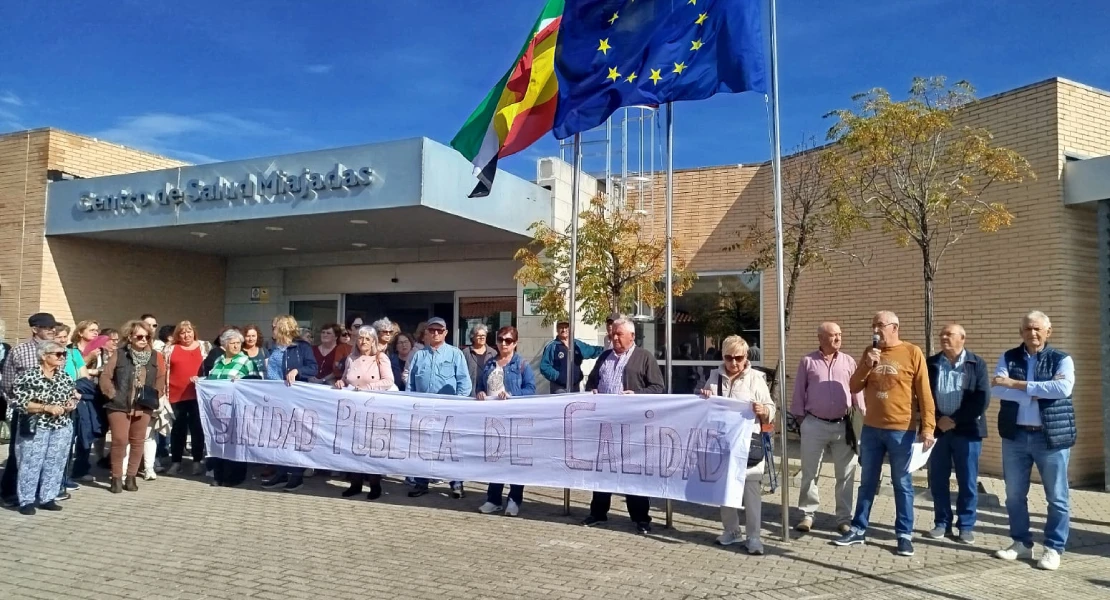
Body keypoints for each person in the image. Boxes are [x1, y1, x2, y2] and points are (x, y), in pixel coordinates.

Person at [834, 311, 934, 557]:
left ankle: (904, 535)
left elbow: (924, 392)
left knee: (902, 483)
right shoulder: (871, 351)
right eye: (873, 325)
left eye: (880, 325)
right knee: (867, 482)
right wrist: (867, 364)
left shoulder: (912, 352)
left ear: (894, 327)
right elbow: (854, 386)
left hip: (902, 429)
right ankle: (858, 529)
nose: (875, 329)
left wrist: (928, 426)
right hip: (871, 429)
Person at [990, 311, 1075, 571]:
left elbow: (1062, 389)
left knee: (1057, 497)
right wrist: (1036, 392)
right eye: (1027, 329)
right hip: (1016, 437)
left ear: (1048, 332)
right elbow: (996, 388)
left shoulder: (1062, 359)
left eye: (1038, 329)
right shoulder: (1008, 357)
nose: (1032, 333)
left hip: (1051, 437)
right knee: (1014, 495)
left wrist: (1016, 384)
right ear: (1021, 333)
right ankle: (1021, 543)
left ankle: (1053, 548)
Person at [582, 318, 665, 534]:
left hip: (632, 426)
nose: (614, 338)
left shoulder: (644, 357)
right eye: (613, 334)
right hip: (605, 425)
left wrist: (636, 395)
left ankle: (640, 518)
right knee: (603, 470)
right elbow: (592, 382)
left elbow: (658, 387)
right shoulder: (605, 357)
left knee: (632, 472)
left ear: (632, 336)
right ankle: (598, 513)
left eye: (619, 334)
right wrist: (591, 390)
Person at [699, 335, 774, 555]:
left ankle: (754, 536)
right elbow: (705, 409)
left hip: (749, 442)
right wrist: (704, 396)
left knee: (751, 492)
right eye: (729, 358)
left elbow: (771, 407)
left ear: (746, 357)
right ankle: (731, 530)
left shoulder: (755, 379)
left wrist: (764, 410)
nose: (733, 363)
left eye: (738, 358)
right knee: (725, 489)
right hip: (723, 442)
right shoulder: (714, 377)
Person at [790, 322, 865, 534]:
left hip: (844, 426)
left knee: (846, 474)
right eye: (833, 336)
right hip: (814, 424)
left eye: (839, 335)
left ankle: (843, 518)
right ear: (821, 338)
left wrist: (862, 416)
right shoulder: (808, 361)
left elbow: (857, 390)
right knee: (810, 472)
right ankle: (808, 514)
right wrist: (801, 419)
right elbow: (798, 391)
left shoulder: (849, 361)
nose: (838, 339)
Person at [925, 324, 989, 545]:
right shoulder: (931, 363)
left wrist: (954, 419)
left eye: (949, 334)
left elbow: (981, 399)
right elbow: (924, 396)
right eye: (941, 334)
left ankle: (966, 526)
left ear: (963, 338)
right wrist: (939, 419)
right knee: (938, 479)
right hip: (939, 431)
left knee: (968, 481)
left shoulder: (976, 364)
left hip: (967, 431)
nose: (943, 337)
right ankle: (942, 522)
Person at [406, 317, 471, 498]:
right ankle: (421, 483)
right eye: (432, 330)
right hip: (423, 411)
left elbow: (464, 383)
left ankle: (456, 484)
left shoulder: (455, 354)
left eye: (439, 330)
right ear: (426, 332)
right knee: (422, 448)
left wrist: (456, 404)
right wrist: (411, 405)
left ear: (446, 333)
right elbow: (411, 384)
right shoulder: (418, 355)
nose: (435, 333)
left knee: (450, 449)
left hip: (448, 411)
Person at [10, 340, 77, 514]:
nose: (62, 357)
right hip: (36, 425)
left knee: (56, 461)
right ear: (44, 356)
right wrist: (45, 408)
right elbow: (19, 402)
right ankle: (26, 500)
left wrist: (71, 404)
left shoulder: (64, 376)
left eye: (64, 354)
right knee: (30, 462)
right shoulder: (29, 376)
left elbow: (72, 396)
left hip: (61, 425)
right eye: (58, 354)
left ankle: (48, 497)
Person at [100, 320, 167, 493]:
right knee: (120, 440)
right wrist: (112, 394)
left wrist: (156, 394)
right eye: (139, 336)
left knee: (138, 441)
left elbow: (161, 378)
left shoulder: (154, 355)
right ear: (130, 337)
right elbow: (106, 376)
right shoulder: (120, 354)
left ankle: (131, 477)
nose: (143, 340)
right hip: (119, 404)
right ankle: (116, 477)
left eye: (147, 336)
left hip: (144, 403)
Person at [1, 312, 60, 506]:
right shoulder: (20, 351)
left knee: (48, 454)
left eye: (53, 327)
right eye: (47, 327)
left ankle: (43, 494)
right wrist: (19, 403)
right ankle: (10, 493)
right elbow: (8, 381)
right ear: (35, 329)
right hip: (28, 410)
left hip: (53, 413)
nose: (52, 330)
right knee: (20, 453)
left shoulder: (58, 350)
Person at [475, 326, 536, 516]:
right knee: (495, 459)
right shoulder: (489, 364)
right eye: (501, 340)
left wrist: (512, 395)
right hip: (493, 420)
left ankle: (514, 499)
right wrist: (480, 393)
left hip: (515, 419)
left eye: (508, 341)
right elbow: (479, 385)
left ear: (515, 343)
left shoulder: (521, 365)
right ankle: (493, 499)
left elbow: (531, 390)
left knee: (515, 461)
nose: (503, 344)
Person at [333, 325, 394, 500]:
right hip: (354, 409)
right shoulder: (351, 358)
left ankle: (375, 485)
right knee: (354, 446)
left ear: (374, 341)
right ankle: (355, 483)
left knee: (371, 447)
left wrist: (368, 388)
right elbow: (346, 378)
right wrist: (341, 383)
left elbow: (388, 381)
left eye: (367, 338)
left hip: (373, 408)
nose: (363, 341)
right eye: (360, 338)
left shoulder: (380, 358)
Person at [260, 315, 319, 492]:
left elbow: (313, 368)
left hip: (292, 398)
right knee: (278, 437)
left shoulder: (301, 347)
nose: (272, 329)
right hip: (274, 397)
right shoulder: (273, 347)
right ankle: (280, 473)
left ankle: (296, 476)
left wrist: (296, 370)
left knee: (293, 436)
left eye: (274, 326)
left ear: (284, 328)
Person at [203, 328, 259, 487]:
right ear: (224, 344)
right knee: (219, 440)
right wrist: (200, 381)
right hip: (217, 410)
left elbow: (255, 382)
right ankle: (218, 475)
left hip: (236, 409)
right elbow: (210, 379)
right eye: (232, 343)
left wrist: (242, 382)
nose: (236, 346)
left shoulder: (246, 362)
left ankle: (234, 477)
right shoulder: (218, 361)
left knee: (234, 442)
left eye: (238, 343)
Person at [163, 321, 212, 476]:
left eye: (189, 331)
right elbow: (164, 369)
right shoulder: (170, 349)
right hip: (176, 395)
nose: (186, 335)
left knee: (198, 428)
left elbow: (211, 368)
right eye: (183, 332)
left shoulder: (204, 346)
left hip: (198, 395)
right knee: (178, 430)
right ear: (178, 335)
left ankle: (197, 461)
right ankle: (176, 462)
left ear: (194, 332)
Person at [539, 320, 603, 393]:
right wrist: (557, 376)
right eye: (561, 327)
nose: (564, 330)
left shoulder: (577, 344)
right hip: (559, 388)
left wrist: (606, 349)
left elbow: (591, 351)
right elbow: (544, 367)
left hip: (575, 387)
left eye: (566, 327)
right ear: (557, 329)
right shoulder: (552, 346)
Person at [463, 325, 496, 397]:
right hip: (470, 394)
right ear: (473, 337)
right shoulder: (466, 353)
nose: (482, 337)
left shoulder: (493, 353)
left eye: (484, 335)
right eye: (479, 335)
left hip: (489, 394)